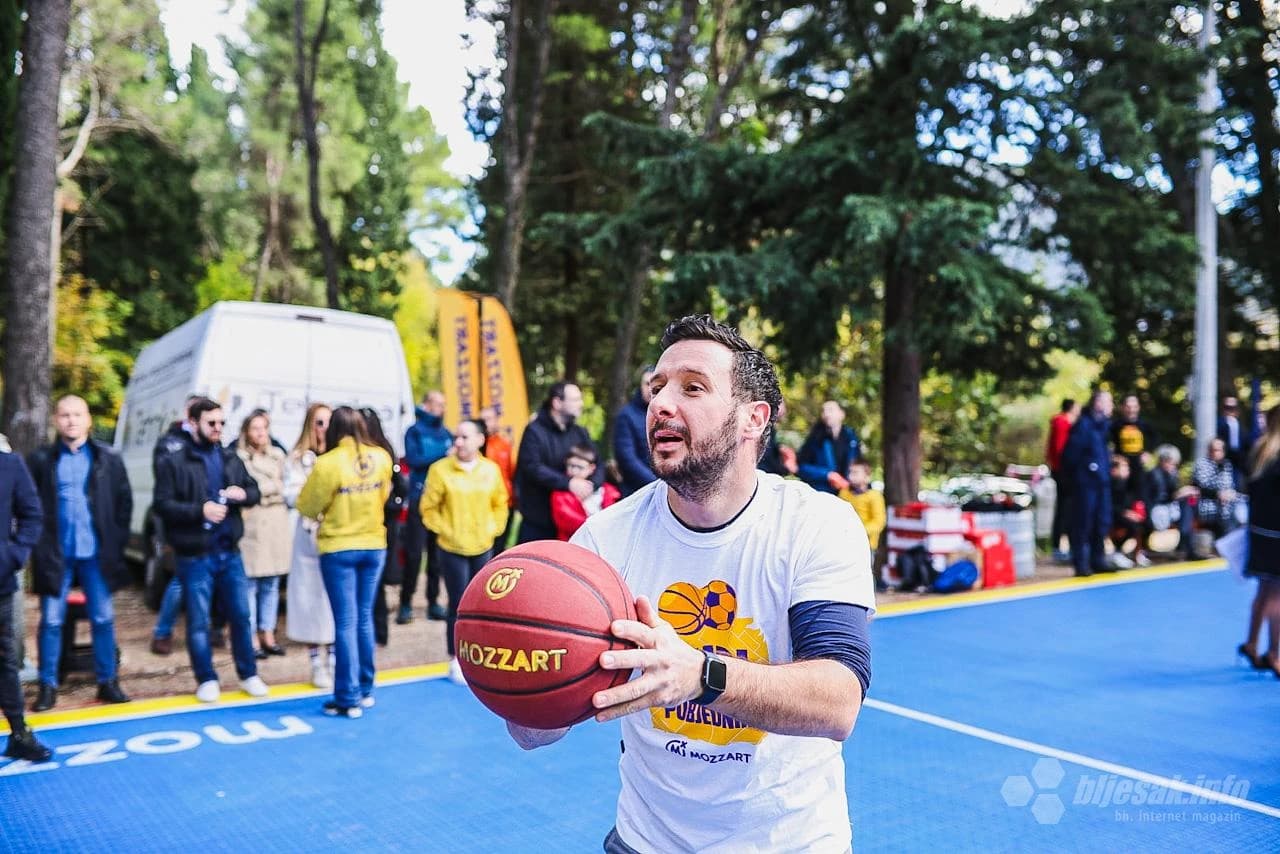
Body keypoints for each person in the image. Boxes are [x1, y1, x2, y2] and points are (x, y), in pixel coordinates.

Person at [507, 315, 874, 853]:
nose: (660, 403)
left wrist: (701, 675)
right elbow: (533, 732)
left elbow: (838, 700)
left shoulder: (816, 523)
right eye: (657, 387)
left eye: (692, 387)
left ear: (753, 419)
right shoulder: (605, 538)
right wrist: (522, 687)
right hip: (645, 841)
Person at [153, 397, 269, 703]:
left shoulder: (230, 458)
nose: (218, 428)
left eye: (221, 422)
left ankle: (248, 674)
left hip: (229, 550)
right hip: (195, 553)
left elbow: (255, 490)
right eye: (211, 423)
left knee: (241, 616)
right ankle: (206, 678)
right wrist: (199, 510)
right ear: (193, 423)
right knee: (199, 621)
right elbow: (162, 505)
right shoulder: (175, 461)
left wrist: (243, 494)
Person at [26, 396, 133, 710]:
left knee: (103, 618)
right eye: (64, 415)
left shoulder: (108, 458)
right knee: (51, 621)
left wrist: (116, 541)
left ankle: (108, 682)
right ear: (56, 420)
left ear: (88, 420)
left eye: (77, 414)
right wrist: (37, 545)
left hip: (96, 554)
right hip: (56, 554)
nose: (71, 420)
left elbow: (124, 503)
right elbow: (29, 504)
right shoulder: (41, 460)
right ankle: (48, 686)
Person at [297, 407, 392, 718]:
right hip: (373, 544)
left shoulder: (328, 462)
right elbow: (384, 496)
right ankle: (365, 688)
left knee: (346, 622)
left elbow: (307, 506)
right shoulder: (381, 457)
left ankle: (347, 696)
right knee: (363, 618)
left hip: (339, 547)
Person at [419, 419, 509, 685]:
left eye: (465, 437)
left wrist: (494, 528)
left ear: (480, 440)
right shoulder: (440, 470)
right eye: (456, 437)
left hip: (482, 545)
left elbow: (500, 503)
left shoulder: (490, 469)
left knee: (484, 604)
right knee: (458, 603)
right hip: (452, 546)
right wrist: (445, 530)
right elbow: (428, 508)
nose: (458, 442)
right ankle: (456, 657)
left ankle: (482, 655)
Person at [0, 447, 53, 761]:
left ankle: (19, 734)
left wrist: (14, 556)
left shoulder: (9, 465)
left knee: (5, 661)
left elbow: (32, 514)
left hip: (0, 584)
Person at [284, 403, 335, 689]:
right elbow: (291, 496)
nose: (324, 428)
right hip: (308, 537)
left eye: (329, 422)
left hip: (337, 536)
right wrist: (315, 492)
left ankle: (336, 659)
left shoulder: (341, 457)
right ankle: (317, 662)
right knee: (310, 601)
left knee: (335, 601)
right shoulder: (298, 459)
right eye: (319, 422)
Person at [514, 382, 604, 543]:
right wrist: (568, 483)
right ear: (557, 403)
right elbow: (531, 467)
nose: (581, 404)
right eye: (575, 400)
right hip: (539, 520)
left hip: (573, 522)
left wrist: (592, 485)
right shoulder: (534, 431)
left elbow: (598, 463)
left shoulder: (580, 432)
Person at [235, 409, 291, 658]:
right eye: (255, 428)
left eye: (264, 428)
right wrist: (270, 488)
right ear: (247, 432)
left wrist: (265, 490)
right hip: (253, 525)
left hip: (276, 523)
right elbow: (250, 489)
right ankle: (249, 637)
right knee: (251, 584)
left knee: (272, 582)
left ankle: (267, 632)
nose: (260, 433)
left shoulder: (278, 455)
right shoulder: (239, 458)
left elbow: (286, 485)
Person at [150, 393, 201, 656]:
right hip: (180, 523)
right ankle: (162, 632)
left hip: (205, 524)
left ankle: (207, 631)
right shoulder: (170, 443)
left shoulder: (208, 442)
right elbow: (165, 489)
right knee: (181, 579)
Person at [400, 390, 452, 624]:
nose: (442, 408)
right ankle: (406, 602)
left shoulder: (447, 433)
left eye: (444, 404)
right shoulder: (414, 431)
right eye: (438, 404)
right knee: (413, 554)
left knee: (436, 556)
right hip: (419, 499)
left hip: (442, 502)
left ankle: (433, 601)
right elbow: (414, 460)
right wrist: (443, 454)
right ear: (427, 405)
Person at [358, 407, 408, 647]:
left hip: (381, 524)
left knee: (375, 582)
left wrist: (389, 506)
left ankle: (379, 632)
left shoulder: (382, 452)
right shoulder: (362, 452)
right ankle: (375, 631)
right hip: (369, 523)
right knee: (372, 583)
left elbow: (401, 487)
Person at [1241, 405, 1280, 677]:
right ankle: (1274, 653)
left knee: (1264, 590)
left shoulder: (1259, 451)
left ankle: (1252, 643)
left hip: (1258, 530)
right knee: (1276, 595)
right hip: (1277, 532)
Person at [1062, 390, 1114, 577]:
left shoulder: (1104, 426)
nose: (1111, 406)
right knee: (1083, 522)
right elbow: (1070, 455)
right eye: (1108, 402)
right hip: (1086, 484)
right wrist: (1081, 475)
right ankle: (1081, 562)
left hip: (1102, 482)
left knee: (1101, 521)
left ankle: (1098, 559)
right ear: (1098, 403)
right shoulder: (1083, 425)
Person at [551, 445, 621, 541]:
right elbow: (566, 522)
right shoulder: (560, 494)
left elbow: (614, 516)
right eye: (571, 465)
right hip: (573, 542)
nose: (574, 470)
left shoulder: (607, 490)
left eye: (580, 467)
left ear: (591, 468)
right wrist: (598, 525)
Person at [1143, 444, 1197, 561]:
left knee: (1188, 505)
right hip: (1156, 510)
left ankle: (1186, 546)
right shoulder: (1153, 474)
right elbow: (1155, 498)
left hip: (1167, 509)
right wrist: (1180, 493)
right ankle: (1185, 546)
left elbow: (1172, 494)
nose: (1173, 466)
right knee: (1184, 508)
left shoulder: (1171, 475)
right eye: (1171, 462)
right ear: (1163, 460)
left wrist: (1183, 492)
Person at [796, 400, 862, 494]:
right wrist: (827, 475)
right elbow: (801, 467)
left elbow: (858, 464)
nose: (826, 414)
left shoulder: (852, 438)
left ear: (842, 414)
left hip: (847, 493)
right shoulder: (815, 438)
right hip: (821, 492)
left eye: (830, 410)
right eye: (823, 411)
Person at [613, 366, 657, 496]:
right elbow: (627, 459)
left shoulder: (667, 414)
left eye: (655, 385)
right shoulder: (627, 415)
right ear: (640, 386)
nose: (650, 389)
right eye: (647, 384)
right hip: (636, 491)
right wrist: (658, 484)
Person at [479, 405, 516, 553]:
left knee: (500, 543)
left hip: (504, 500)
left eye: (489, 419)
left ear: (496, 420)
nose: (485, 423)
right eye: (482, 420)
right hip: (482, 501)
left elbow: (512, 472)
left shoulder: (505, 444)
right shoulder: (476, 445)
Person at [1046, 398, 1079, 561]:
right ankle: (1058, 547)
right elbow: (1060, 448)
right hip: (1063, 472)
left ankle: (1067, 546)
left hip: (1064, 471)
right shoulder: (1061, 423)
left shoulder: (1063, 422)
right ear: (1071, 408)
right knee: (1064, 509)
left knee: (1067, 509)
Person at [1192, 437, 1245, 538]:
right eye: (1212, 449)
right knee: (1227, 521)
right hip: (1208, 505)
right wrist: (1219, 494)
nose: (1214, 452)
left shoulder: (1227, 465)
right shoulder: (1202, 464)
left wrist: (1231, 494)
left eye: (1217, 450)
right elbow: (1202, 487)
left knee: (1243, 507)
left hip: (1228, 505)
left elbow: (1230, 485)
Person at [1109, 394, 1156, 495]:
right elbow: (1106, 442)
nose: (1131, 410)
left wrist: (1148, 453)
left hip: (1138, 467)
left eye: (1134, 407)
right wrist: (1114, 457)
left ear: (1138, 407)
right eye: (1128, 407)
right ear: (1123, 408)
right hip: (1121, 468)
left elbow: (1155, 438)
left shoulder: (1144, 424)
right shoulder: (1115, 425)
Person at [1107, 456, 1148, 568]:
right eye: (1124, 467)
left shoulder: (1126, 484)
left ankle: (1137, 554)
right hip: (1112, 516)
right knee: (1132, 525)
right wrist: (1126, 513)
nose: (1127, 469)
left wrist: (1134, 513)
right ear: (1114, 470)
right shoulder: (1110, 485)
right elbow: (1111, 506)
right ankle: (1117, 552)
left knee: (1144, 522)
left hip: (1123, 515)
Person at [838, 459, 886, 550]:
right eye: (850, 472)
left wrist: (860, 531)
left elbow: (879, 522)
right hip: (845, 541)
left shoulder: (875, 496)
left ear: (867, 477)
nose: (851, 476)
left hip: (866, 544)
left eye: (855, 473)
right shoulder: (844, 493)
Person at [757, 399, 799, 477]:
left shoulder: (771, 429)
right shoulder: (763, 429)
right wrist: (786, 469)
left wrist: (780, 449)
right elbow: (766, 459)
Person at [1218, 396, 1252, 473]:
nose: (1230, 411)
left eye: (1232, 408)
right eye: (1227, 408)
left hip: (1240, 466)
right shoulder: (1218, 424)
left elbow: (1248, 447)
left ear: (1237, 410)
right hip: (1222, 465)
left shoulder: (1243, 429)